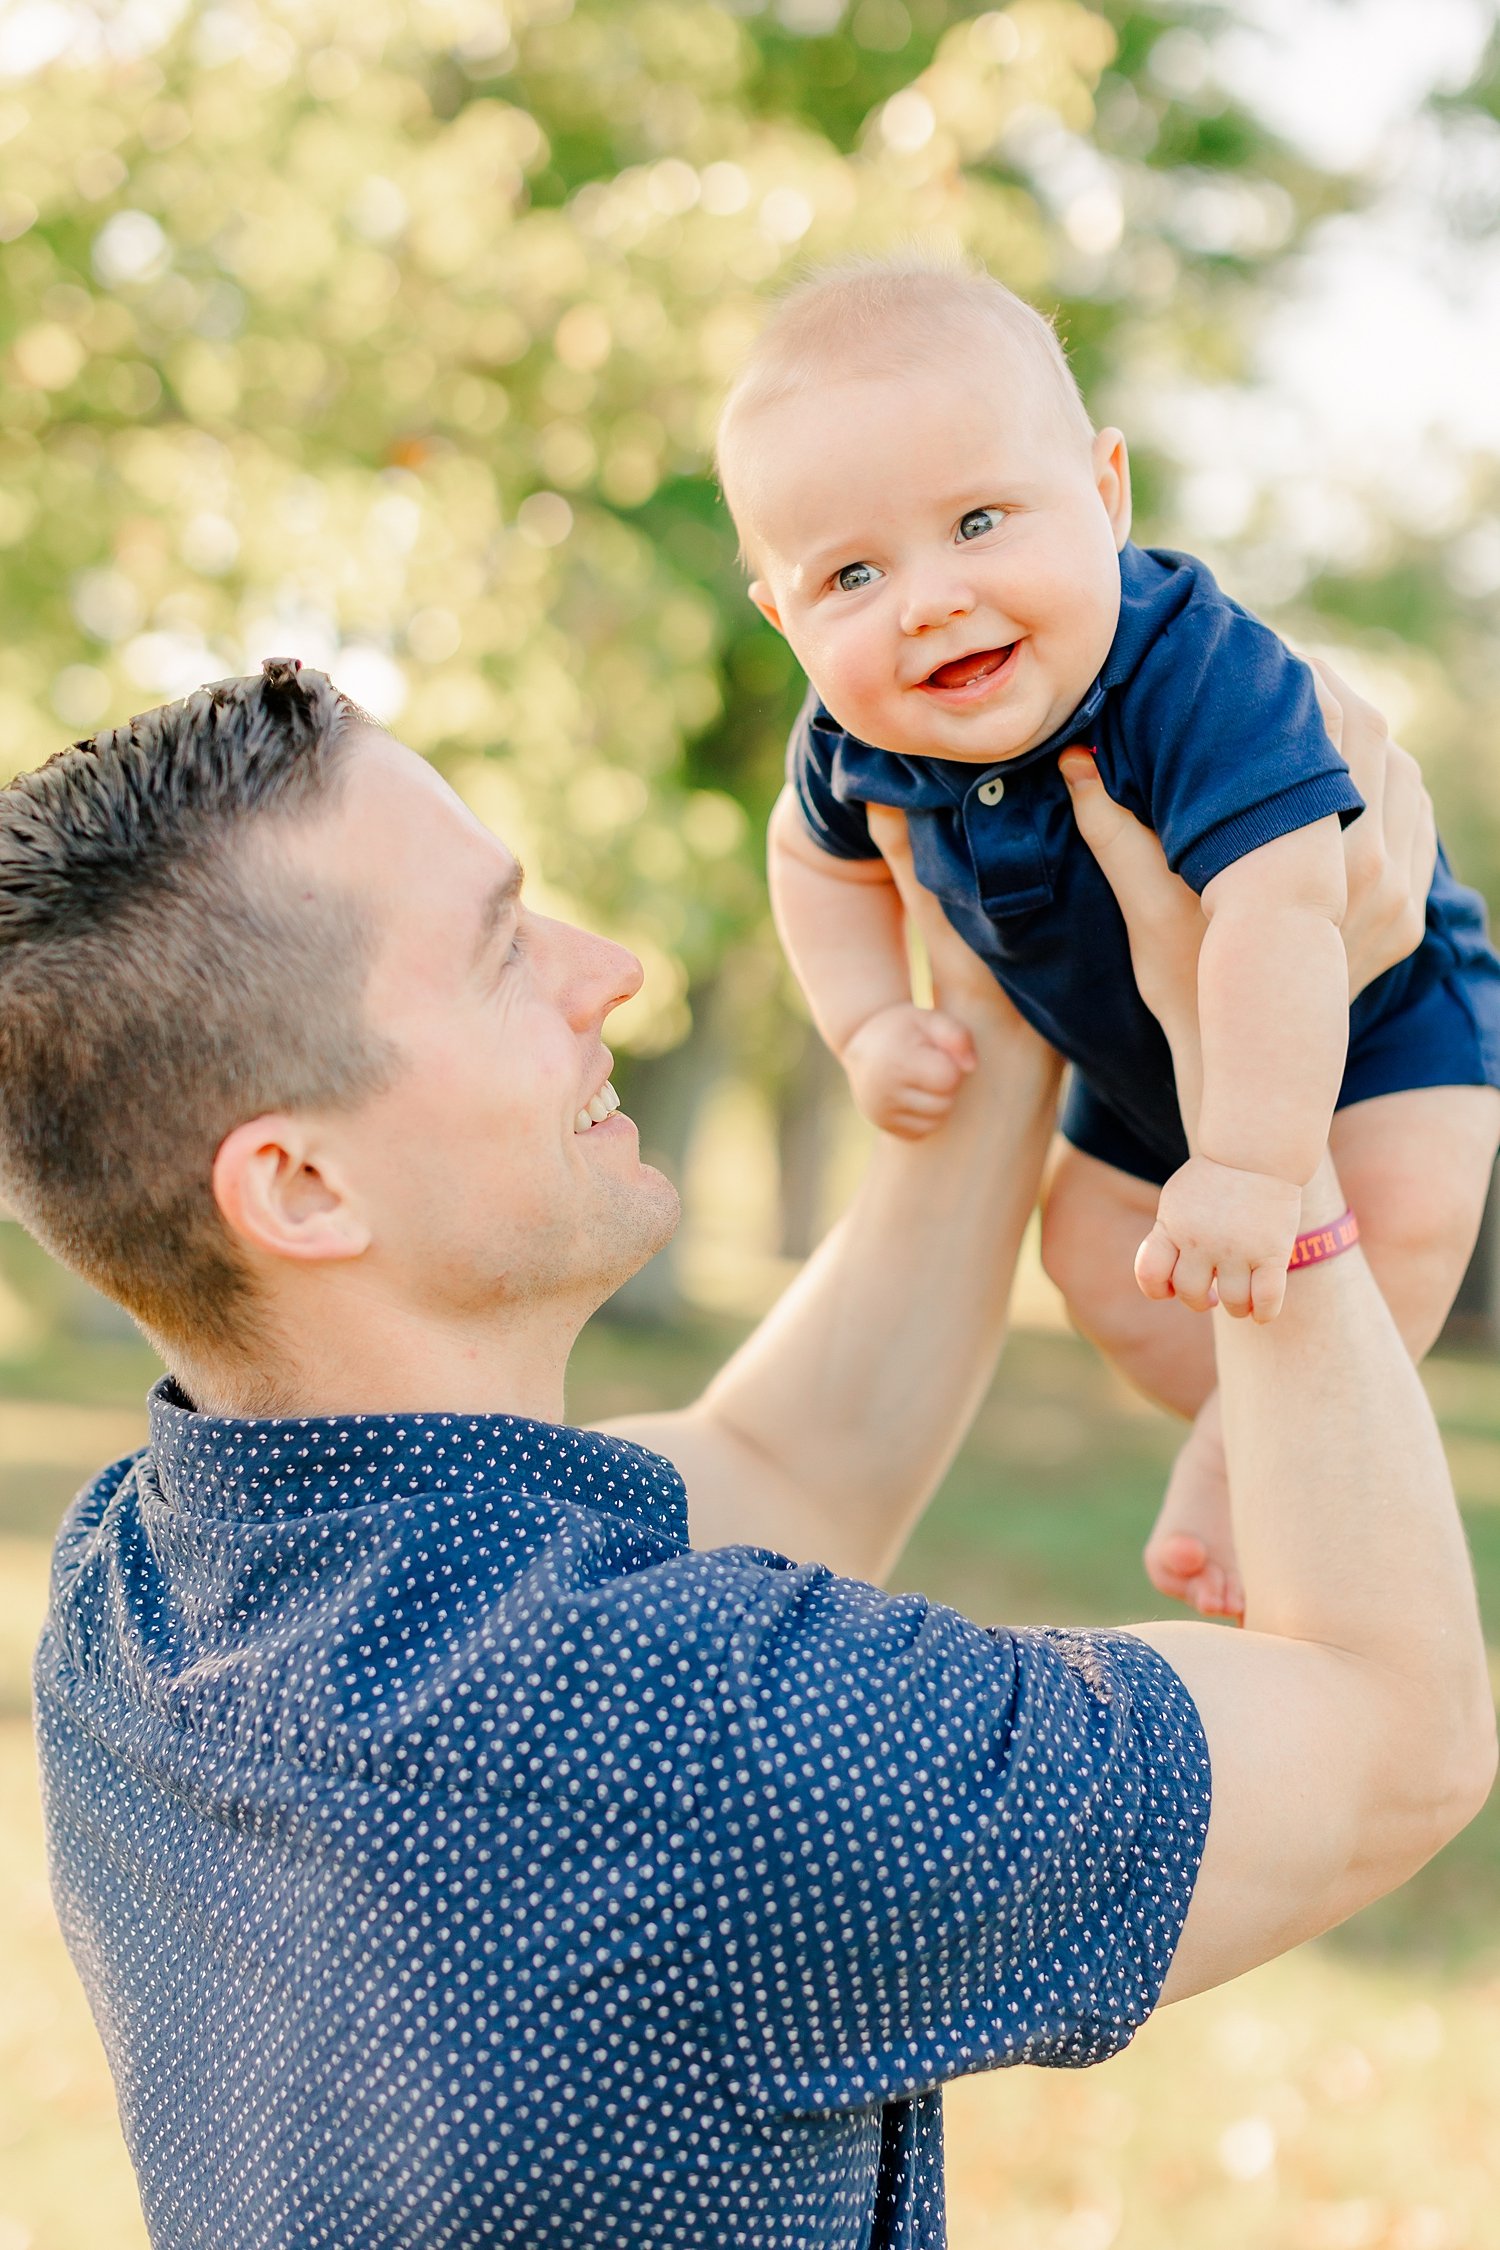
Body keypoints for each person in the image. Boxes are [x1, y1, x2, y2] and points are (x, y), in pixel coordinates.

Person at [5, 660, 1491, 2250]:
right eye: (503, 952)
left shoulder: (139, 1586)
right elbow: (1396, 1737)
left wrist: (1002, 974)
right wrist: (1261, 1106)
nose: (609, 971)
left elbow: (796, 1456)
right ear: (299, 1186)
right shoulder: (695, 1747)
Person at [716, 256, 1500, 1618]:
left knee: (1413, 1211)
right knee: (1093, 1256)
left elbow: (1278, 908)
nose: (930, 598)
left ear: (1105, 491)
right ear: (784, 618)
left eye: (977, 520)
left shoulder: (1195, 671)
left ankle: (1265, 1453)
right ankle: (1262, 1428)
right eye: (851, 572)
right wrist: (868, 1019)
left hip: (1374, 1018)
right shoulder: (852, 745)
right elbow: (811, 860)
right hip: (1141, 1080)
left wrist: (1258, 1163)